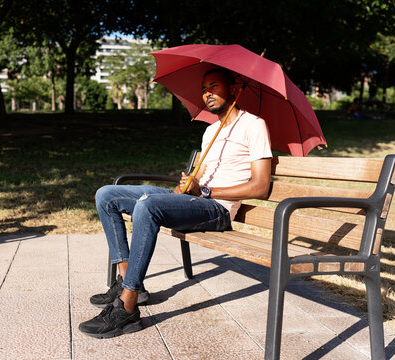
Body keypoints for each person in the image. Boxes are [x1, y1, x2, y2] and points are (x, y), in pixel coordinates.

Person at [79, 67, 273, 338]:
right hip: (198, 199)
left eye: (214, 86)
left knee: (148, 205)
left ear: (233, 88)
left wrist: (204, 191)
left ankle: (127, 305)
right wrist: (187, 185)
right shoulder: (211, 131)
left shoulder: (254, 125)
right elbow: (198, 178)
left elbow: (261, 186)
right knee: (107, 195)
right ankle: (126, 279)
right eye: (204, 89)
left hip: (218, 210)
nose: (207, 94)